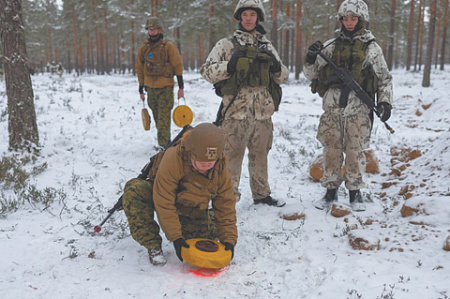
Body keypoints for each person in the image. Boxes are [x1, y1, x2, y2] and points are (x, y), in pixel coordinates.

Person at [303, 0, 393, 211]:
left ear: (361, 20)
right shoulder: (331, 45)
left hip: (359, 110)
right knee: (331, 150)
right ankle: (330, 191)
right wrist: (310, 57)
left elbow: (384, 79)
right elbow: (311, 74)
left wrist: (385, 102)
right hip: (332, 109)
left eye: (353, 18)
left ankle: (355, 192)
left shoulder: (372, 47)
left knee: (355, 151)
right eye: (346, 18)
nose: (349, 22)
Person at [200, 0, 289, 207]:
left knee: (260, 156)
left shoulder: (266, 45)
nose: (249, 18)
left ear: (258, 17)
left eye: (253, 14)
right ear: (239, 17)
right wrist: (229, 66)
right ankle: (226, 199)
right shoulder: (226, 44)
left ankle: (261, 194)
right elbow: (207, 71)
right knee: (231, 158)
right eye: (245, 14)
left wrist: (276, 66)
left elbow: (283, 76)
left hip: (262, 114)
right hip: (235, 113)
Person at [122, 123, 237, 266]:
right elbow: (164, 200)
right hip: (161, 197)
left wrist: (228, 239)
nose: (207, 166)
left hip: (190, 206)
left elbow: (225, 205)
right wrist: (175, 237)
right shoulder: (174, 158)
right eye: (202, 161)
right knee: (135, 190)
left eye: (211, 161)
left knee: (202, 241)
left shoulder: (220, 168)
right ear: (191, 153)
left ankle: (208, 220)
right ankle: (153, 245)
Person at [135, 17, 184, 148]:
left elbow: (178, 65)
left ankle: (164, 145)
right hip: (150, 89)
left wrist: (181, 87)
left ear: (160, 30)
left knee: (163, 118)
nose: (152, 32)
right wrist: (141, 88)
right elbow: (139, 68)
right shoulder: (144, 48)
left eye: (155, 29)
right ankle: (164, 141)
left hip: (165, 88)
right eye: (150, 29)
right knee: (157, 117)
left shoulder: (168, 47)